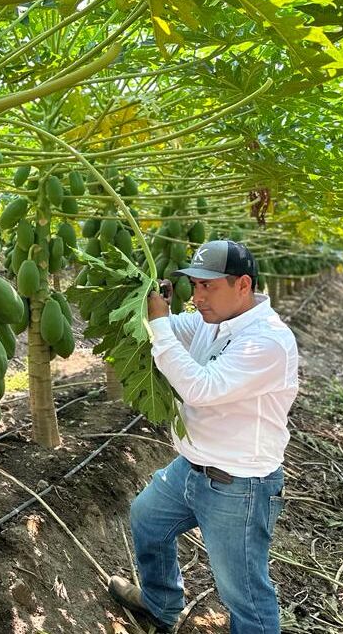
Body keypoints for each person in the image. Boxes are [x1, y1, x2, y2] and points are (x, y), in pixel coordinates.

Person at [107, 240, 299, 633]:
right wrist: (150, 305)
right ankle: (161, 603)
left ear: (243, 285)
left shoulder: (267, 341)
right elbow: (174, 328)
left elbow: (201, 389)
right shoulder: (213, 321)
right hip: (191, 469)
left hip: (240, 484)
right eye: (194, 286)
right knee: (147, 519)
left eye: (208, 287)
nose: (197, 297)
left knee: (243, 593)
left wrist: (159, 324)